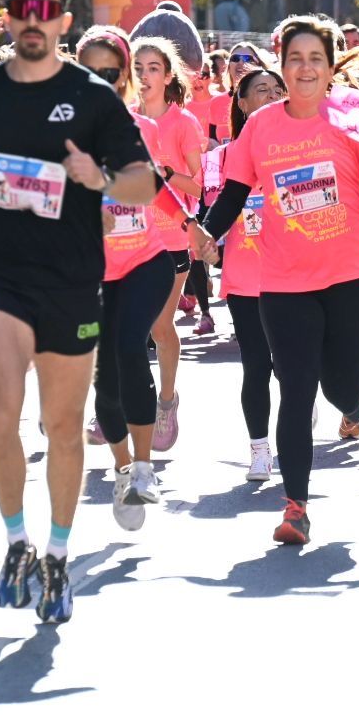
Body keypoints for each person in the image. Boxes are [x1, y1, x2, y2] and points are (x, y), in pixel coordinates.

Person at [0, 0, 157, 623]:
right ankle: (15, 542)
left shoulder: (93, 98)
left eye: (46, 11)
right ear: (7, 17)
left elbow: (144, 183)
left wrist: (96, 178)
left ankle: (58, 555)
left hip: (70, 279)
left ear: (63, 20)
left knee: (63, 427)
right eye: (21, 10)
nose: (33, 23)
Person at [190, 14, 359, 545]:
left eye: (316, 58)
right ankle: (296, 506)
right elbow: (234, 192)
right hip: (284, 279)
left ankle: (356, 394)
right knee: (295, 387)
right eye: (296, 59)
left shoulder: (354, 118)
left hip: (349, 275)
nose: (306, 68)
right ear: (282, 65)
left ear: (331, 65)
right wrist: (207, 234)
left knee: (338, 387)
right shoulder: (263, 125)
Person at [78, 27, 181, 530]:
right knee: (105, 377)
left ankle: (144, 469)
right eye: (90, 70)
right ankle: (122, 469)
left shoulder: (143, 126)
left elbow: (154, 185)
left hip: (144, 260)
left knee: (127, 347)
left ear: (124, 77)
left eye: (110, 71)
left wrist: (193, 225)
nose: (101, 79)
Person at [130, 36, 205, 435]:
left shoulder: (183, 123)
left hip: (172, 238)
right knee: (124, 328)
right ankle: (118, 399)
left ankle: (166, 400)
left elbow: (202, 187)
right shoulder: (122, 118)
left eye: (153, 68)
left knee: (159, 327)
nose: (144, 75)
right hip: (127, 240)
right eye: (138, 68)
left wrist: (163, 173)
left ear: (167, 75)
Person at [221, 65, 286, 480]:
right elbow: (213, 206)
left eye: (276, 89)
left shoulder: (301, 146)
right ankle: (259, 449)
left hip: (293, 273)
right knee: (256, 366)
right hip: (245, 274)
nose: (271, 94)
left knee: (290, 366)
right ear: (242, 104)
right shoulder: (224, 155)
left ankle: (299, 412)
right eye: (261, 90)